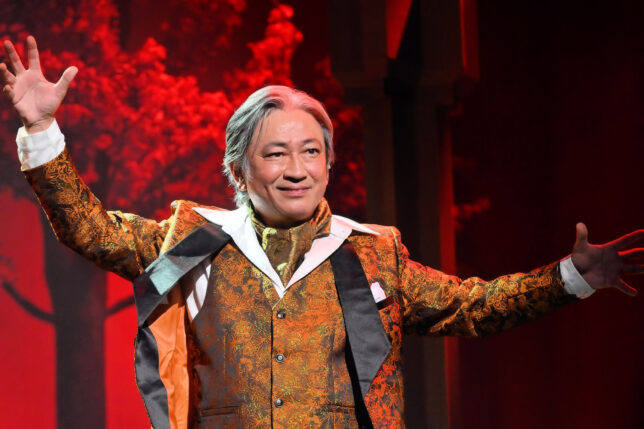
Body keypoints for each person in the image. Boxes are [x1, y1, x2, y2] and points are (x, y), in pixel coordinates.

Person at [2, 36, 643, 429]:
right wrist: (39, 129)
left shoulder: (371, 253)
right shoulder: (194, 240)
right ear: (238, 168)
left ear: (329, 163)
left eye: (311, 152)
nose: (297, 169)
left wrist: (572, 277)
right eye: (276, 153)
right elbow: (88, 229)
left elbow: (472, 306)